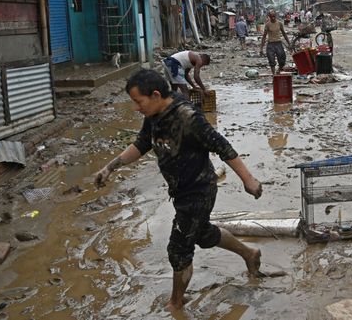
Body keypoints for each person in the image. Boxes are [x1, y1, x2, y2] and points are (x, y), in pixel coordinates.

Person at [93, 69, 263, 312]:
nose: (136, 108)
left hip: (198, 191)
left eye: (138, 102)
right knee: (202, 234)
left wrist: (249, 180)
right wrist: (110, 167)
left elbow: (221, 145)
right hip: (181, 190)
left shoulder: (187, 117)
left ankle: (176, 304)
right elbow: (142, 144)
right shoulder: (154, 114)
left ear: (154, 95)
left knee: (179, 248)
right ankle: (249, 253)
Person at [259, 10, 292, 74]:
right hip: (270, 44)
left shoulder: (279, 23)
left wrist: (289, 43)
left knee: (282, 60)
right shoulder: (267, 25)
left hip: (278, 43)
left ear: (276, 16)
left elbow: (284, 34)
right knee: (271, 60)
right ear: (269, 17)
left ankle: (279, 70)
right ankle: (274, 75)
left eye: (274, 16)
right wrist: (261, 48)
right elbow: (264, 36)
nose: (273, 18)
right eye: (271, 17)